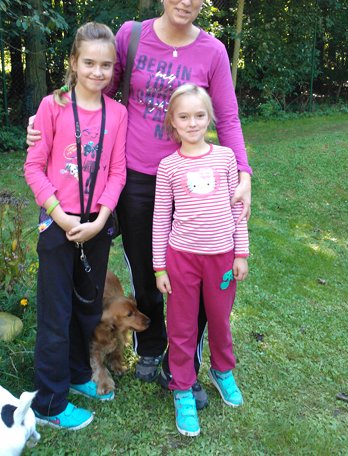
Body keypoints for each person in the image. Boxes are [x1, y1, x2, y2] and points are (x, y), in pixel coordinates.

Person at [27, 0, 252, 410]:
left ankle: (182, 361)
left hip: (190, 182)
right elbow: (96, 90)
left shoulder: (212, 51)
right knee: (148, 271)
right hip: (133, 180)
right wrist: (48, 113)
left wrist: (243, 173)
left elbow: (227, 118)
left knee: (194, 272)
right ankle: (151, 347)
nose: (186, 0)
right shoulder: (131, 36)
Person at [24, 22, 127, 431]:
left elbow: (117, 172)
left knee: (86, 306)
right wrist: (61, 215)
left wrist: (100, 219)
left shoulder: (117, 113)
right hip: (57, 224)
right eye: (89, 63)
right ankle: (49, 401)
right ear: (73, 62)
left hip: (96, 226)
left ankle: (77, 373)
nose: (97, 72)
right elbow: (34, 168)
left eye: (106, 65)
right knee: (56, 312)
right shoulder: (52, 107)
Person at [153, 84, 249, 436]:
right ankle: (182, 388)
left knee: (220, 321)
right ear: (172, 122)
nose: (192, 123)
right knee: (181, 326)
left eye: (199, 115)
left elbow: (238, 210)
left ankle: (222, 370)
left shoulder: (226, 158)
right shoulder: (168, 167)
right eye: (184, 117)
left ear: (209, 118)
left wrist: (241, 253)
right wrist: (159, 267)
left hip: (222, 258)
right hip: (181, 260)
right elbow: (161, 219)